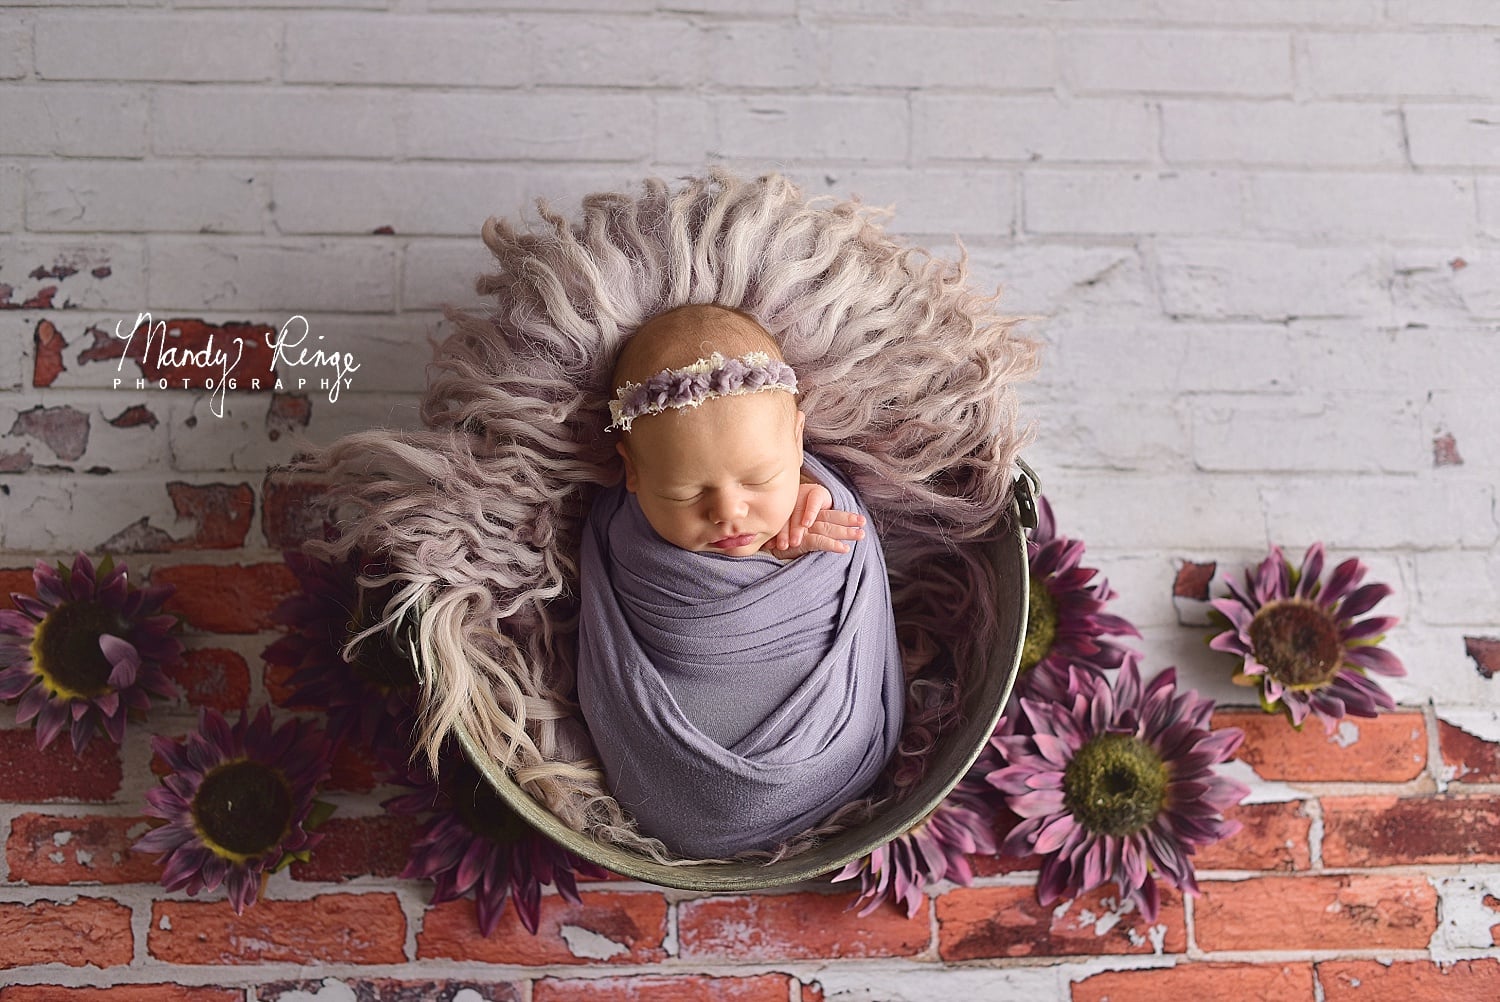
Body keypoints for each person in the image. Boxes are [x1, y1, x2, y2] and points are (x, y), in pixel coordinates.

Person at [575, 302, 906, 858]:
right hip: (671, 782)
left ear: (798, 441)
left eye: (759, 479)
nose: (728, 513)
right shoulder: (622, 537)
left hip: (830, 756)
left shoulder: (822, 505)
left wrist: (800, 538)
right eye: (685, 493)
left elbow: (852, 562)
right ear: (632, 470)